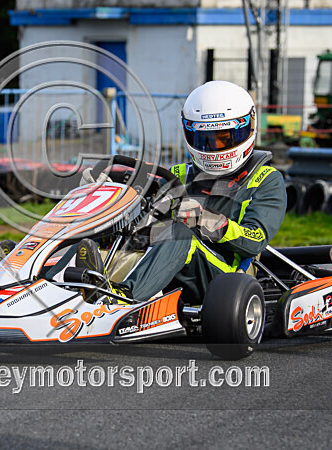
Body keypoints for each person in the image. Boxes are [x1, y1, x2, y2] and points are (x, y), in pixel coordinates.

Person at [76, 80, 286, 304]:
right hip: (168, 264)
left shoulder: (266, 179)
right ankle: (60, 284)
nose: (214, 147)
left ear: (247, 127)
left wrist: (205, 220)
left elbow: (255, 240)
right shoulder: (179, 174)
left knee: (178, 233)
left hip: (228, 278)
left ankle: (120, 300)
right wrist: (106, 191)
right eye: (205, 140)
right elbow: (145, 215)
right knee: (113, 231)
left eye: (223, 138)